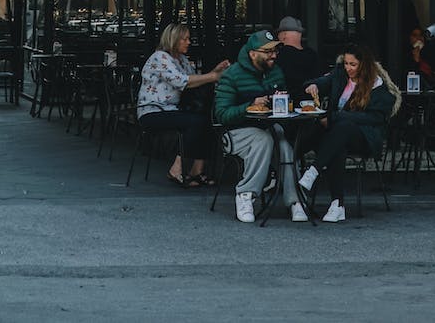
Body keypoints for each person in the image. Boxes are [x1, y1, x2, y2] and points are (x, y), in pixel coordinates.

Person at [298, 42, 400, 223]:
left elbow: (374, 119)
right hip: (338, 136)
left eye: (353, 64)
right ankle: (338, 205)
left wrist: (337, 117)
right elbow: (322, 82)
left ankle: (312, 170)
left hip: (364, 136)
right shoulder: (340, 75)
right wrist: (313, 85)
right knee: (337, 144)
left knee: (342, 127)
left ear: (364, 64)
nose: (348, 68)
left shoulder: (378, 87)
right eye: (346, 63)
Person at [214, 29, 308, 224]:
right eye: (268, 51)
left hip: (269, 126)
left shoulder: (275, 72)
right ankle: (245, 194)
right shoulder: (232, 75)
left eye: (275, 50)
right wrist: (249, 106)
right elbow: (221, 114)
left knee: (284, 146)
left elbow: (283, 98)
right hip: (235, 132)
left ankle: (295, 201)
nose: (273, 55)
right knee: (264, 140)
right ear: (253, 54)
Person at [136, 22, 229, 187]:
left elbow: (195, 80)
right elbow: (183, 82)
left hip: (172, 110)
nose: (188, 42)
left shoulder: (182, 59)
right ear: (174, 40)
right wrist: (213, 76)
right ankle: (176, 169)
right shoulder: (160, 58)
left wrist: (214, 71)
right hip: (152, 112)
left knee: (208, 118)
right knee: (196, 122)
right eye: (184, 39)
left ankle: (197, 171)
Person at [276, 16, 322, 100]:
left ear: (283, 35)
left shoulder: (281, 55)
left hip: (287, 103)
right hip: (312, 103)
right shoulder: (312, 54)